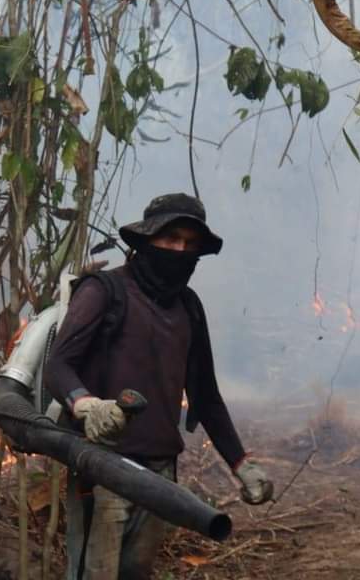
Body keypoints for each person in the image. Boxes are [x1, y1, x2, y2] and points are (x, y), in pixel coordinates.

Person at [44, 193, 273, 580]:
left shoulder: (189, 307)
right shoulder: (104, 290)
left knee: (137, 572)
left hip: (160, 474)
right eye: (170, 239)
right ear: (146, 240)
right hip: (104, 469)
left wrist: (241, 463)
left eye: (189, 243)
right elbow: (58, 365)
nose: (180, 250)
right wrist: (87, 406)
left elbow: (206, 397)